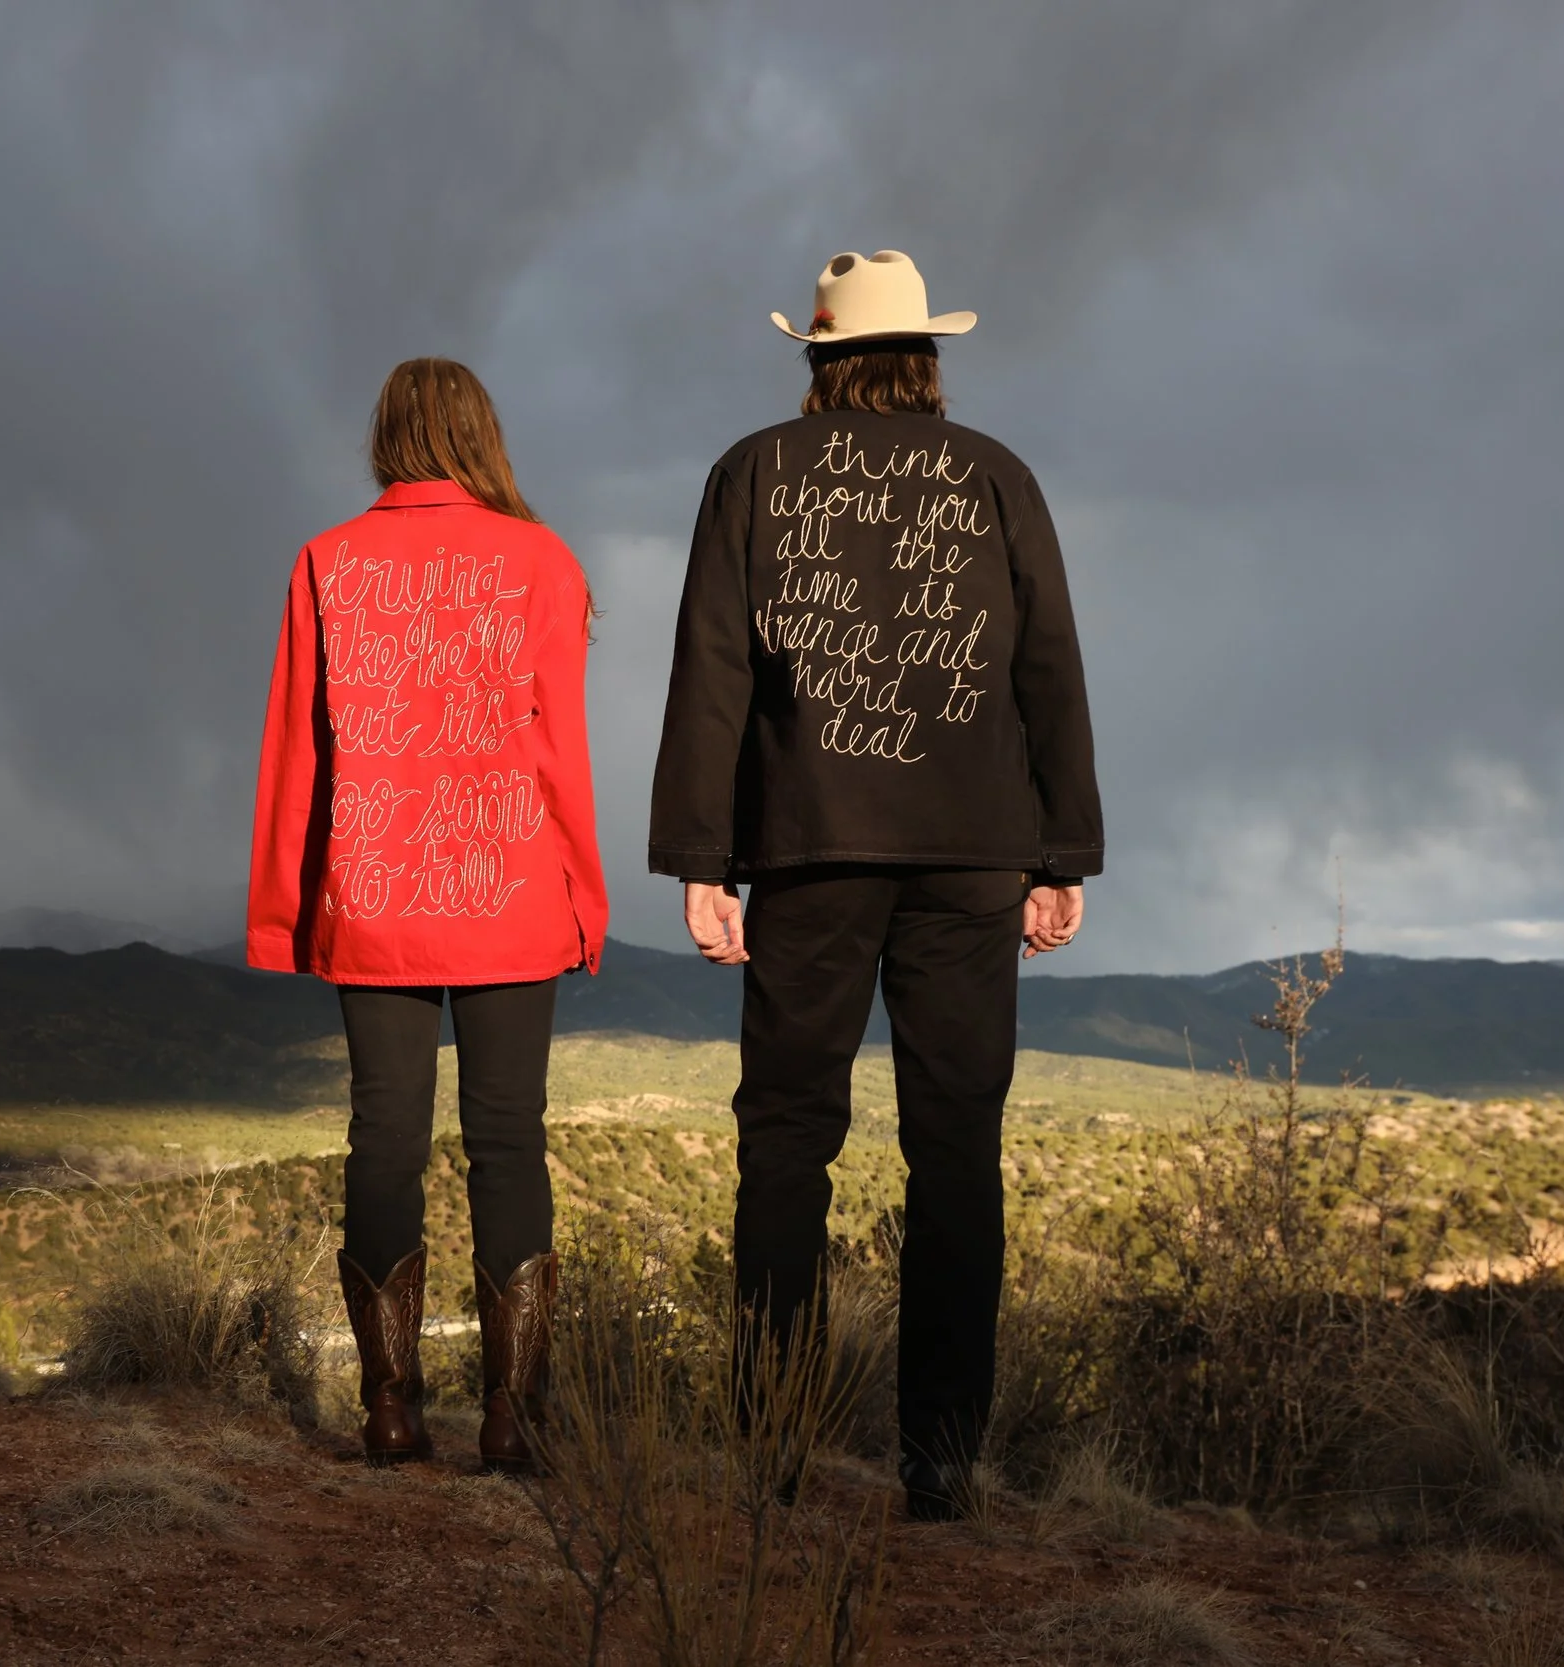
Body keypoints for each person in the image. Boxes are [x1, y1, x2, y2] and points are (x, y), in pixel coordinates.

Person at [648, 250, 1101, 1519]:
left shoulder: (751, 472)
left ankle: (775, 1448)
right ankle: (943, 1462)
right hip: (972, 853)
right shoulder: (997, 475)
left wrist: (701, 860)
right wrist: (1059, 852)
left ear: (817, 359)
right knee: (955, 1149)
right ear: (927, 358)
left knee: (786, 1141)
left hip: (808, 849)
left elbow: (711, 669)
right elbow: (1050, 670)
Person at [247, 358, 608, 1469]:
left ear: (388, 438)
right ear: (481, 435)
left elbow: (294, 755)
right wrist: (584, 900)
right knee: (510, 1141)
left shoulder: (328, 560)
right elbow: (560, 755)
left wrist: (283, 912)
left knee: (383, 1139)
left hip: (376, 898)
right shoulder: (542, 561)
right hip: (509, 899)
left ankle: (391, 1408)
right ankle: (513, 1417)